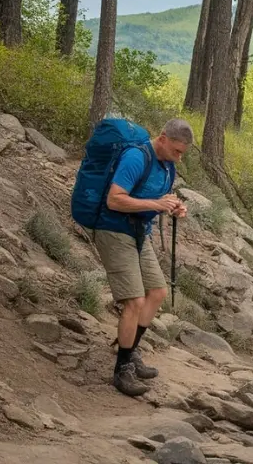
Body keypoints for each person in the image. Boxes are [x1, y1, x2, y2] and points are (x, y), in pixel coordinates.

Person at [91, 119, 191, 396]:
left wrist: (173, 207)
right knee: (134, 300)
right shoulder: (136, 157)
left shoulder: (166, 165)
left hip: (138, 232)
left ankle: (130, 351)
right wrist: (156, 204)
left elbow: (158, 197)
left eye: (182, 153)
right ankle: (122, 370)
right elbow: (114, 200)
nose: (179, 158)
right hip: (112, 229)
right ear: (162, 138)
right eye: (177, 151)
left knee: (157, 292)